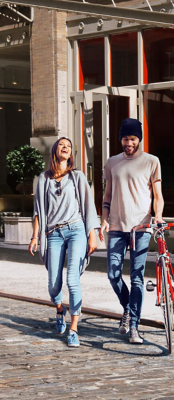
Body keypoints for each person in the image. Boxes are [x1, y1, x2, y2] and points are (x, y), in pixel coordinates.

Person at [98, 118, 164, 344]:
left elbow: (158, 196)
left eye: (132, 139)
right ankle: (127, 308)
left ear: (139, 139)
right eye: (125, 138)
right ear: (120, 139)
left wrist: (158, 217)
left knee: (137, 278)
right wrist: (104, 220)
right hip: (116, 227)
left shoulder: (151, 161)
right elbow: (107, 196)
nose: (128, 143)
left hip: (141, 228)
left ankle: (134, 326)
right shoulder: (112, 163)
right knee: (113, 275)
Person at [29, 138, 99, 347]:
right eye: (61, 144)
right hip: (54, 233)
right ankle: (60, 309)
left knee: (72, 279)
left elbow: (88, 206)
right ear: (55, 150)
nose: (65, 147)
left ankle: (74, 328)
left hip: (76, 229)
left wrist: (92, 234)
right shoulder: (44, 179)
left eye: (68, 145)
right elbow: (38, 211)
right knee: (53, 284)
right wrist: (35, 236)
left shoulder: (77, 177)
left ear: (70, 153)